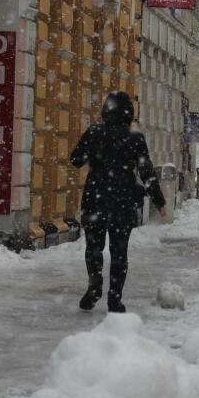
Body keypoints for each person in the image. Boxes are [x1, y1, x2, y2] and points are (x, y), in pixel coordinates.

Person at [71, 92, 166, 313]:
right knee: (119, 252)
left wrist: (93, 150)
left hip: (95, 198)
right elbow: (146, 171)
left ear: (106, 110)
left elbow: (76, 159)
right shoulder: (135, 138)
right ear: (129, 113)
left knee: (94, 248)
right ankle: (115, 298)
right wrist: (158, 200)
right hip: (122, 201)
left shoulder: (94, 132)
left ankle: (94, 288)